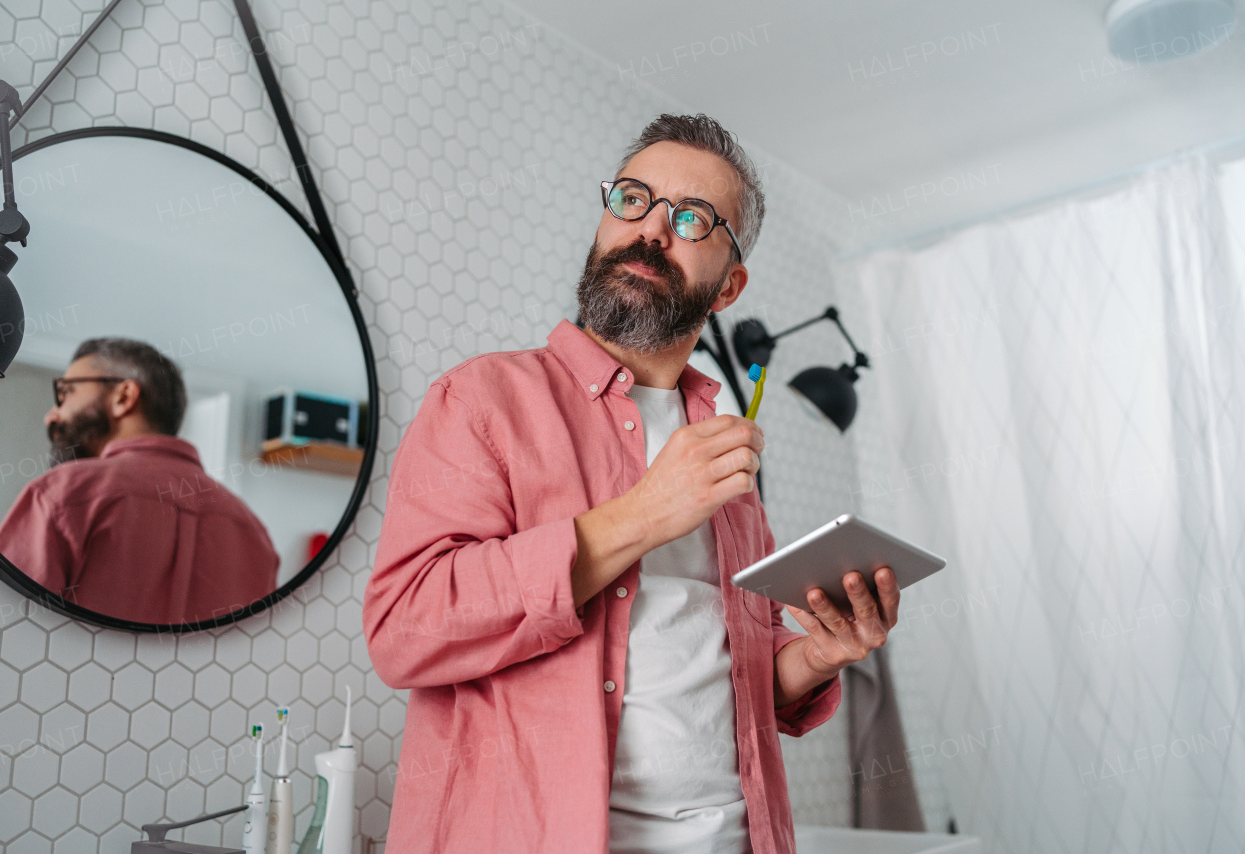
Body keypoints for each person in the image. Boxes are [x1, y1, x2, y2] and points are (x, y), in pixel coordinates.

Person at [363, 114, 900, 854]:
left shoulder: (726, 455)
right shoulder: (481, 399)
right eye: (632, 199)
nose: (652, 228)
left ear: (729, 287)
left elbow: (730, 675)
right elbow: (405, 631)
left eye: (691, 218)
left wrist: (819, 653)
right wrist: (644, 515)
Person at [0, 337, 279, 624]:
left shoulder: (60, 494)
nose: (51, 415)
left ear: (124, 397)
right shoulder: (254, 532)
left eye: (66, 392)